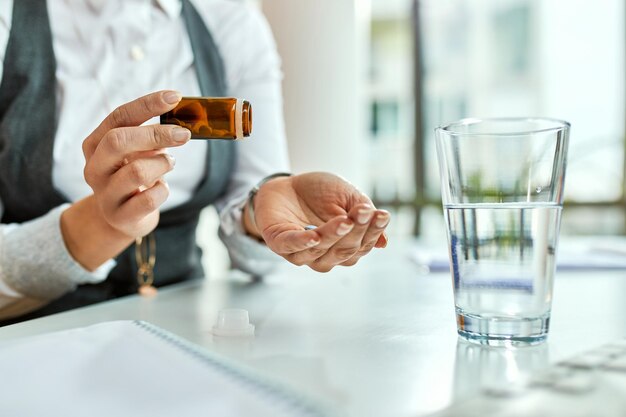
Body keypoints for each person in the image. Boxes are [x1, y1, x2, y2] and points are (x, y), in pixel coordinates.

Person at [0, 0, 390, 323]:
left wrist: (265, 207)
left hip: (185, 327)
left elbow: (256, 239)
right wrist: (101, 226)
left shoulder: (229, 20)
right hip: (36, 336)